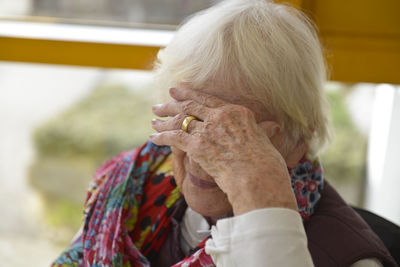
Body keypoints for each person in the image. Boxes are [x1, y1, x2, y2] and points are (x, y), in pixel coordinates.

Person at [52, 0, 397, 266]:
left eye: (234, 135)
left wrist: (261, 200)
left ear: (297, 142)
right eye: (189, 121)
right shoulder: (131, 185)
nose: (202, 157)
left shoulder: (352, 258)